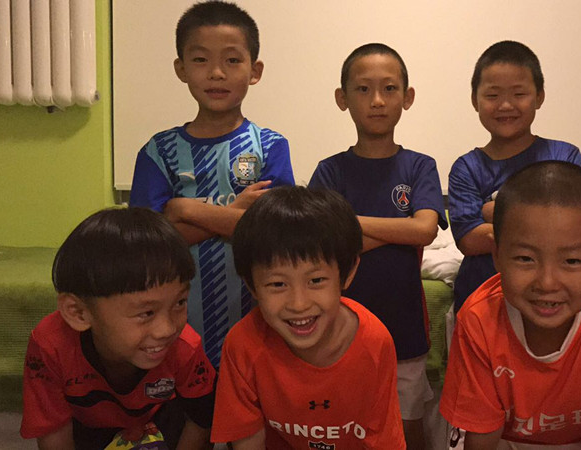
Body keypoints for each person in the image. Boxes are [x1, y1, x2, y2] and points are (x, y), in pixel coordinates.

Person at [440, 161, 581, 449]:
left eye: (572, 261)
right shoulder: (479, 319)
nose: (548, 283)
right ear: (497, 256)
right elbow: (482, 438)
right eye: (525, 259)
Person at [128, 0, 295, 367]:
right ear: (181, 68)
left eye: (232, 60)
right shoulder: (159, 152)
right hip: (173, 331)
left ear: (255, 70)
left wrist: (184, 209)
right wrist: (236, 214)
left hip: (257, 325)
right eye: (201, 59)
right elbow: (146, 247)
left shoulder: (269, 146)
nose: (217, 73)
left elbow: (275, 234)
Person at [308, 43, 448, 449]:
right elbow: (320, 243)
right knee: (342, 426)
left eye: (389, 88)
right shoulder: (330, 170)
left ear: (407, 97)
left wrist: (346, 223)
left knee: (408, 427)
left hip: (404, 327)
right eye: (363, 89)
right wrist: (398, 229)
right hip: (337, 326)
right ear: (342, 98)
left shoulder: (419, 165)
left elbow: (425, 230)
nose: (377, 101)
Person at [210, 186, 405, 448]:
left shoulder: (374, 341)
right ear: (251, 286)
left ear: (347, 273)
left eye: (316, 280)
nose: (299, 304)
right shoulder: (243, 344)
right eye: (277, 284)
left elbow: (382, 440)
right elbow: (247, 442)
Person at [20, 208, 216, 449]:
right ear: (78, 313)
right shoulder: (51, 346)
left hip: (160, 422)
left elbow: (200, 420)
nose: (167, 329)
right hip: (89, 428)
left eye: (179, 302)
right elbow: (53, 431)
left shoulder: (185, 345)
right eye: (146, 313)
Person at [448, 40, 581, 313]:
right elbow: (469, 240)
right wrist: (543, 221)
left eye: (519, 94)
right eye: (492, 95)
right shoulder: (467, 167)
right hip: (482, 297)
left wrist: (496, 212)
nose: (506, 105)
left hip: (553, 295)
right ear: (475, 100)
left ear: (539, 96)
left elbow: (579, 227)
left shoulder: (564, 157)